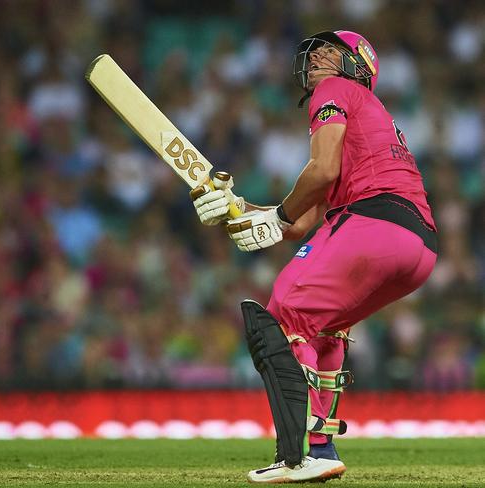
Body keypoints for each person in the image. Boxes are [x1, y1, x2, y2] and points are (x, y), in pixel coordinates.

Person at [191, 30, 437, 483]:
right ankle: (322, 447)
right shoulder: (371, 121)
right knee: (323, 324)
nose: (320, 55)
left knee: (284, 308)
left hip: (371, 223)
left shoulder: (335, 90)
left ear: (358, 69)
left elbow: (319, 173)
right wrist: (236, 210)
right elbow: (302, 224)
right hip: (417, 247)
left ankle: (299, 453)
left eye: (333, 51)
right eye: (318, 50)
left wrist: (277, 213)